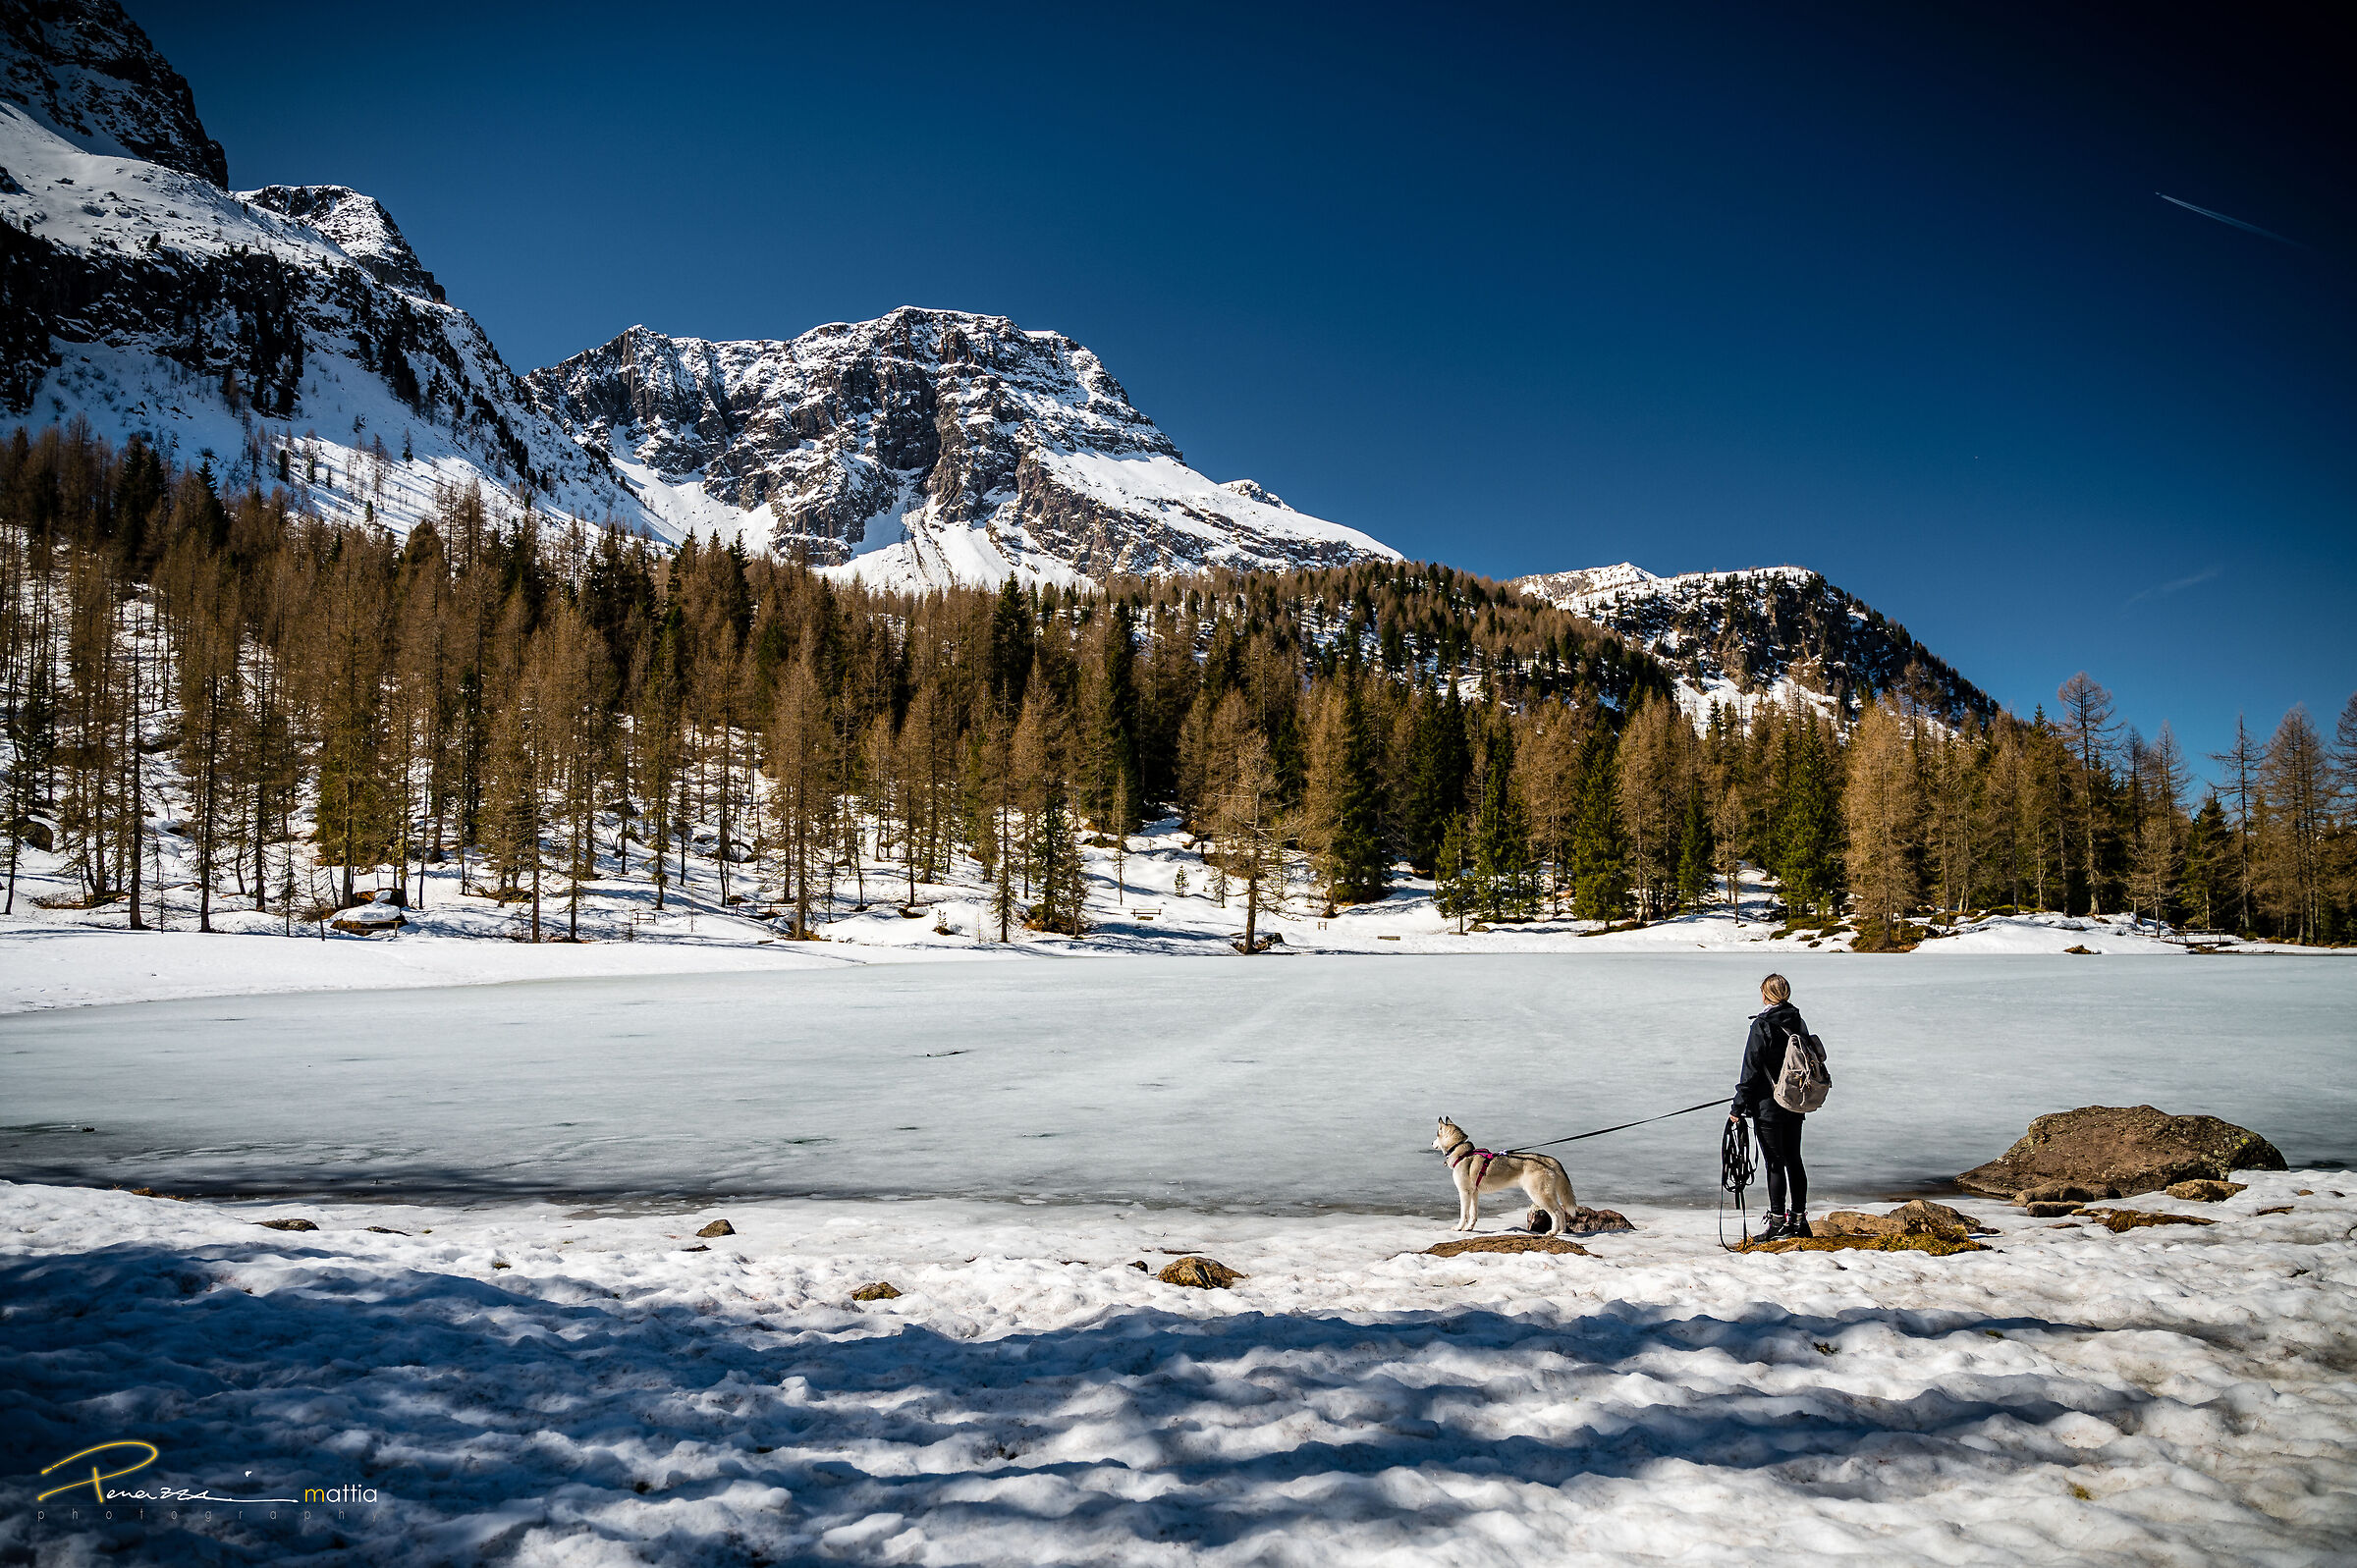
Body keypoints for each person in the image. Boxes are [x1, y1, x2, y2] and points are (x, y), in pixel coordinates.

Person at [1730, 972, 1811, 1242]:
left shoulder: (1762, 1025)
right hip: (1794, 1100)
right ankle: (1798, 1220)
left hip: (1768, 1104)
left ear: (1766, 995)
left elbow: (1751, 1068)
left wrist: (1737, 1107)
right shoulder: (1797, 1020)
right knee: (1794, 1159)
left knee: (1775, 1163)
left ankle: (1777, 1221)